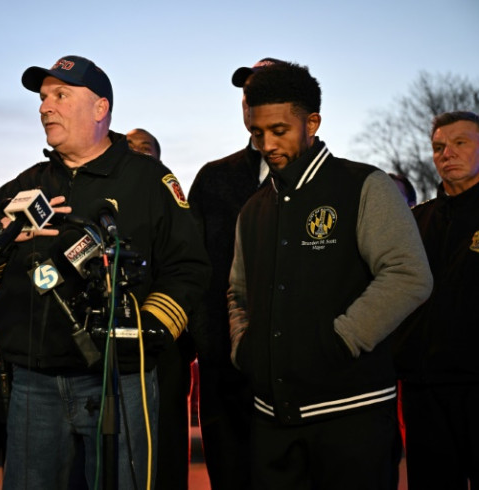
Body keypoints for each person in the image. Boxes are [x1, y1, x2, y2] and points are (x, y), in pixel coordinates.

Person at [0, 55, 210, 490]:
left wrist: (149, 328)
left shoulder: (150, 181)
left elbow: (188, 267)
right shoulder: (26, 184)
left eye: (60, 95)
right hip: (33, 381)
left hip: (120, 378)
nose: (44, 107)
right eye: (42, 98)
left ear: (100, 109)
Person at [227, 61, 433, 489]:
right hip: (272, 423)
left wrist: (341, 339)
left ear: (312, 122)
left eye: (279, 130)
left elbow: (409, 275)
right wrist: (243, 347)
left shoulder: (364, 185)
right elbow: (237, 293)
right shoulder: (253, 209)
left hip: (351, 417)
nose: (267, 143)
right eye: (256, 133)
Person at [393, 111, 479, 490]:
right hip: (424, 392)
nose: (446, 154)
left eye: (459, 143)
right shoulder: (415, 222)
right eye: (438, 147)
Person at [186, 57, 278, 490]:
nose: (251, 103)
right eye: (247, 96)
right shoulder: (214, 179)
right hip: (225, 371)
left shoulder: (336, 184)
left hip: (302, 375)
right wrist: (207, 343)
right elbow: (193, 268)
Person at [126, 127, 194, 490]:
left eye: (146, 147)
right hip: (114, 347)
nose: (136, 151)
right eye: (129, 146)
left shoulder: (171, 200)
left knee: (165, 444)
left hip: (163, 343)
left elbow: (189, 268)